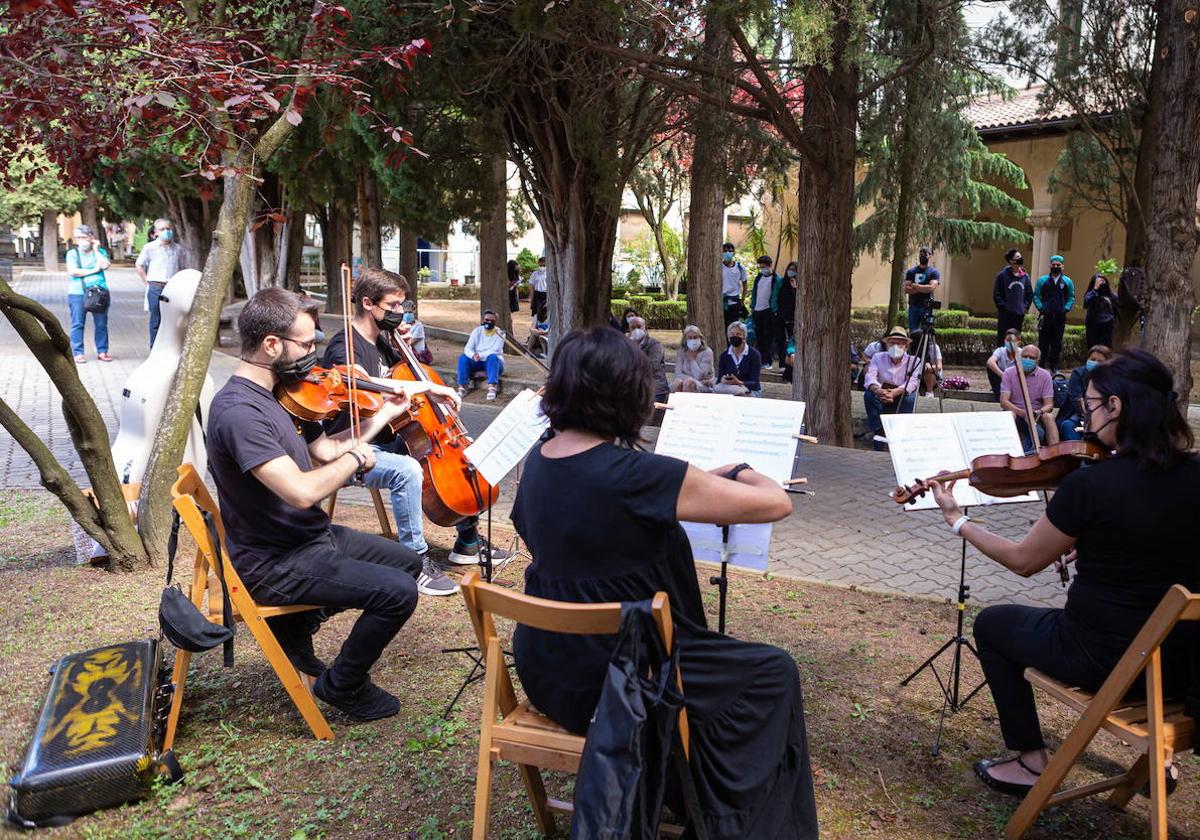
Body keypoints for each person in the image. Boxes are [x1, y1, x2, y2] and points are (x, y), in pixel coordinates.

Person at [510, 326, 819, 839]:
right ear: (628, 394)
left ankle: (682, 784)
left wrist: (690, 480)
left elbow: (573, 522)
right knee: (773, 671)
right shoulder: (640, 474)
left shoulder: (536, 462)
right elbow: (775, 502)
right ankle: (730, 813)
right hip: (629, 680)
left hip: (551, 671)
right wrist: (740, 468)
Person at [926, 349, 1198, 797]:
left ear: (1117, 407)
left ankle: (1031, 763)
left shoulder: (1092, 484)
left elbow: (1024, 561)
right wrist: (1093, 546)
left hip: (1104, 659)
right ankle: (1159, 761)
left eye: (1090, 405)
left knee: (993, 624)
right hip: (1180, 668)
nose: (1084, 418)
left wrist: (958, 520)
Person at [206, 287, 420, 720]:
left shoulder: (281, 395)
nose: (313, 355)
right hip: (275, 562)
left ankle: (294, 625)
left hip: (307, 537)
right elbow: (302, 491)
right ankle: (344, 685)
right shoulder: (240, 413)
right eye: (304, 344)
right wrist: (360, 459)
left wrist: (383, 415)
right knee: (398, 593)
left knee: (408, 564)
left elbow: (323, 451)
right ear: (271, 345)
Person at [320, 269, 460, 597]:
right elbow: (370, 385)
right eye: (393, 305)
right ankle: (415, 561)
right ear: (367, 303)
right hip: (354, 444)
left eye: (402, 305)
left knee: (454, 456)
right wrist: (423, 386)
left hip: (389, 437)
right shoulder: (345, 346)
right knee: (408, 470)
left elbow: (407, 377)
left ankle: (466, 541)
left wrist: (408, 351)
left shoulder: (385, 340)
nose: (399, 312)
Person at [136, 217, 190, 348]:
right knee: (156, 318)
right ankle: (154, 347)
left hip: (172, 288)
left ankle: (171, 346)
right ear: (155, 232)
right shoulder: (150, 248)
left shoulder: (178, 249)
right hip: (155, 286)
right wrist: (147, 282)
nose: (166, 231)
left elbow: (182, 268)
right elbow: (139, 265)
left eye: (168, 229)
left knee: (173, 318)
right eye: (162, 229)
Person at [862, 326, 919, 449]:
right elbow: (870, 376)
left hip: (901, 395)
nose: (895, 347)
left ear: (906, 346)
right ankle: (878, 429)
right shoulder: (878, 357)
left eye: (900, 344)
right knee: (869, 396)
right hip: (881, 393)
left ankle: (900, 433)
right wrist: (878, 390)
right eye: (892, 343)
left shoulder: (914, 361)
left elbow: (913, 382)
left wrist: (895, 392)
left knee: (910, 399)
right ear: (887, 345)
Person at [65, 225, 111, 363]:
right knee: (77, 323)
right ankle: (78, 352)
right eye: (78, 238)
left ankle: (102, 351)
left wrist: (96, 250)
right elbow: (73, 271)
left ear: (91, 237)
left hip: (99, 292)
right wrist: (93, 270)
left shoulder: (100, 251)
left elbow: (105, 265)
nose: (81, 240)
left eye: (84, 237)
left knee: (101, 323)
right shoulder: (72, 254)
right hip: (78, 293)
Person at [1000, 344, 1059, 449]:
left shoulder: (1045, 376)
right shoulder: (1009, 373)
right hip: (1015, 412)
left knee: (1048, 417)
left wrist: (1038, 412)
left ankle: (1054, 453)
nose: (1027, 359)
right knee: (1010, 416)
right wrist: (1023, 413)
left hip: (1035, 416)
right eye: (1025, 356)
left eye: (1032, 358)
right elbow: (1004, 401)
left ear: (1038, 360)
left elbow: (1049, 405)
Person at [1056, 345, 1112, 441]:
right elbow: (1076, 400)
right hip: (1078, 414)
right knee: (1068, 426)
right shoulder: (1078, 373)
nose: (1095, 363)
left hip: (1103, 417)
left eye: (1100, 361)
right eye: (1092, 359)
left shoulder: (1112, 378)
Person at [1033, 255, 1075, 373]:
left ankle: (1054, 367)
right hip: (1045, 317)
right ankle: (1041, 366)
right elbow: (1036, 296)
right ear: (1050, 265)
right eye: (1054, 265)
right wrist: (1041, 307)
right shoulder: (1042, 280)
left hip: (1059, 318)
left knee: (1057, 343)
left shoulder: (1067, 281)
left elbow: (1071, 297)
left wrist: (1065, 309)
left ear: (1062, 266)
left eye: (1058, 265)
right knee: (1043, 343)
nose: (1056, 267)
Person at [456, 309, 504, 401]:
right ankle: (462, 387)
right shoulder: (477, 331)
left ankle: (492, 388)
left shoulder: (500, 333)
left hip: (493, 362)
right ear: (482, 320)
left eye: (492, 321)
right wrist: (473, 355)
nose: (489, 322)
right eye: (487, 320)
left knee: (493, 357)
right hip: (477, 360)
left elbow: (495, 350)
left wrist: (480, 355)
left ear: (495, 321)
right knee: (463, 358)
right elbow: (468, 348)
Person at [993, 248, 1033, 347]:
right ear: (1011, 261)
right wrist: (1004, 307)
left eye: (1020, 257)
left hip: (1019, 315)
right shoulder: (1002, 276)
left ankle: (1014, 360)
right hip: (1005, 315)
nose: (1020, 259)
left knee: (1016, 340)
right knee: (1003, 339)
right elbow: (997, 295)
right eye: (1017, 257)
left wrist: (1025, 308)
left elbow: (1029, 294)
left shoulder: (1025, 277)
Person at [627, 316, 669, 405]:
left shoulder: (655, 345)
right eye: (633, 328)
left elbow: (650, 367)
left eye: (639, 327)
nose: (636, 330)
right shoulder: (626, 345)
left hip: (655, 389)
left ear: (645, 328)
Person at [749, 255, 782, 368]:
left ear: (770, 266)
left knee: (768, 336)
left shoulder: (777, 280)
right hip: (757, 310)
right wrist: (753, 306)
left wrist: (775, 310)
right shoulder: (759, 278)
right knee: (759, 336)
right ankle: (761, 360)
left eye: (764, 267)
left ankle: (768, 361)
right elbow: (754, 292)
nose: (762, 269)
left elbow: (777, 296)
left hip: (768, 311)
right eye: (760, 267)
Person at [715, 320, 762, 397]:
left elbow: (755, 382)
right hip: (729, 388)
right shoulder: (724, 356)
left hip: (750, 390)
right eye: (732, 334)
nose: (735, 336)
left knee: (739, 395)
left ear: (744, 337)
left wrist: (738, 382)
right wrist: (723, 380)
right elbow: (719, 380)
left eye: (738, 334)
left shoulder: (754, 354)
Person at [904, 245, 941, 334]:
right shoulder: (911, 272)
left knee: (927, 334)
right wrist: (924, 288)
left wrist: (915, 286)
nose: (922, 256)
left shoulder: (934, 272)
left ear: (929, 256)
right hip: (913, 307)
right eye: (921, 254)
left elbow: (931, 288)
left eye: (925, 255)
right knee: (913, 333)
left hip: (927, 308)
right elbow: (906, 289)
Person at [671, 324, 715, 393]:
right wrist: (687, 379)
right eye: (690, 338)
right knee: (677, 382)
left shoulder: (707, 352)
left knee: (689, 383)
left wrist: (691, 360)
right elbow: (678, 374)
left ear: (700, 338)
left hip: (704, 386)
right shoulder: (682, 351)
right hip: (686, 382)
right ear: (685, 339)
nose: (693, 340)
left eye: (695, 337)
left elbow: (699, 376)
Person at [1083, 273, 1117, 349]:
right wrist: (1095, 288)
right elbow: (1086, 303)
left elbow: (1117, 308)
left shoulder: (1111, 296)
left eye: (1103, 280)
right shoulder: (1091, 294)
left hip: (1107, 327)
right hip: (1093, 327)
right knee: (1093, 349)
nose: (1101, 283)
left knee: (1105, 350)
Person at [986, 329, 1023, 398]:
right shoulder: (1000, 351)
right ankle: (998, 393)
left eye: (1013, 341)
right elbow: (990, 362)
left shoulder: (1022, 353)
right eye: (1008, 340)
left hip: (1016, 380)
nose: (1010, 343)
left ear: (1019, 342)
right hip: (1001, 378)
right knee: (990, 368)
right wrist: (1003, 375)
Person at [776, 261, 798, 367]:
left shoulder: (797, 285)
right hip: (780, 316)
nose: (791, 272)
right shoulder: (782, 283)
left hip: (793, 318)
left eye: (794, 270)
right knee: (780, 341)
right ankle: (782, 363)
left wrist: (795, 287)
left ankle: (790, 363)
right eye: (790, 269)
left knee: (791, 341)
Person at [908, 328, 943, 396]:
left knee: (929, 371)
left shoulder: (934, 347)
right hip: (915, 374)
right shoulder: (911, 349)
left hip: (931, 376)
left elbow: (939, 366)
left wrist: (930, 367)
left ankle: (929, 392)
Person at [396, 299, 432, 364]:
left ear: (414, 311)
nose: (407, 314)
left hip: (418, 359)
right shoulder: (401, 325)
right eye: (405, 312)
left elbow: (409, 343)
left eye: (409, 312)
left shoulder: (418, 326)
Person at [720, 242, 747, 328]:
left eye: (730, 251)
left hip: (734, 303)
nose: (727, 253)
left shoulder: (740, 268)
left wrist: (742, 299)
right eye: (725, 251)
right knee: (722, 327)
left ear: (734, 253)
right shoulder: (718, 267)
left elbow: (745, 284)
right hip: (721, 302)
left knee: (733, 328)